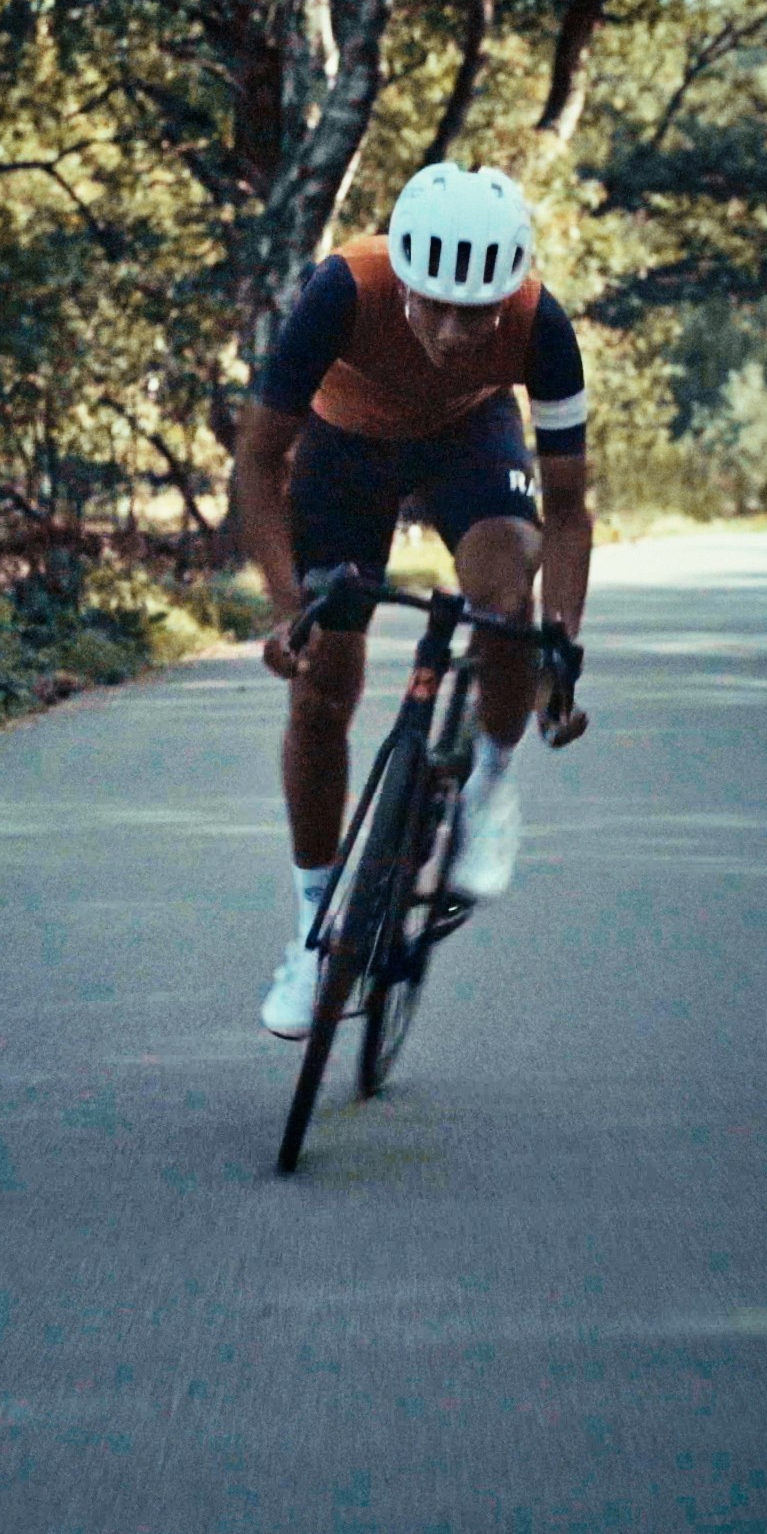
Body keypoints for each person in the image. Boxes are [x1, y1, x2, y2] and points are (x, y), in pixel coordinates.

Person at [229, 162, 592, 1039]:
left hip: (470, 440)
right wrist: (287, 610)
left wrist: (559, 645)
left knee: (505, 592)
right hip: (344, 448)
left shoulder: (542, 323)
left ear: (509, 293)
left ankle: (492, 785)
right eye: (434, 304)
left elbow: (571, 510)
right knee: (322, 692)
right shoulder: (341, 289)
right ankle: (315, 933)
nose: (455, 331)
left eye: (479, 312)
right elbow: (257, 462)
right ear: (405, 283)